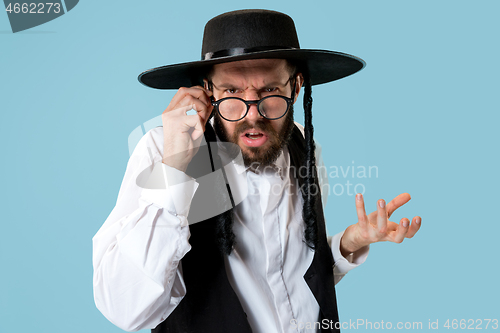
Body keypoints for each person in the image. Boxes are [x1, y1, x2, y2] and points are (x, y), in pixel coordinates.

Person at [92, 9, 421, 333]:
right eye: (232, 92)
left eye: (270, 91)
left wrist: (345, 246)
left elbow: (288, 277)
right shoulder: (163, 151)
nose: (253, 115)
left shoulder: (304, 145)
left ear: (295, 86)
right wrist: (176, 170)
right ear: (208, 91)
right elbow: (127, 310)